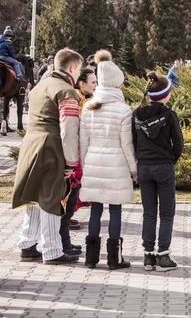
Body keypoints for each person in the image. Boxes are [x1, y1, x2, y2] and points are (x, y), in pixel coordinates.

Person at [12, 48, 83, 265]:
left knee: (34, 197)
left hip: (30, 145)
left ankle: (27, 244)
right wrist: (71, 160)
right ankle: (52, 250)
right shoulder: (67, 91)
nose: (79, 75)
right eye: (79, 70)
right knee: (51, 198)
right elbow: (69, 129)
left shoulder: (40, 86)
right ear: (71, 67)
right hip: (51, 148)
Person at [79, 50, 136, 270]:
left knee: (95, 208)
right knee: (115, 209)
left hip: (93, 160)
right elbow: (126, 144)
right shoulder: (123, 110)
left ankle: (91, 258)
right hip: (116, 164)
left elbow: (83, 141)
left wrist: (85, 165)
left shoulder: (88, 107)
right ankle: (114, 258)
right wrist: (134, 169)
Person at [133, 71, 184, 272]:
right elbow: (178, 143)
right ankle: (163, 256)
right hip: (164, 166)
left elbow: (134, 141)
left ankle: (148, 256)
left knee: (149, 212)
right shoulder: (170, 115)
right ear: (167, 94)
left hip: (144, 166)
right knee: (167, 212)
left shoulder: (136, 113)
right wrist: (172, 159)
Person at [59, 68, 97, 258]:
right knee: (67, 201)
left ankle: (65, 243)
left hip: (77, 157)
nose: (95, 86)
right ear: (81, 84)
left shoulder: (86, 100)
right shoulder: (77, 101)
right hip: (72, 159)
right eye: (92, 82)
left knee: (71, 199)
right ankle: (62, 244)